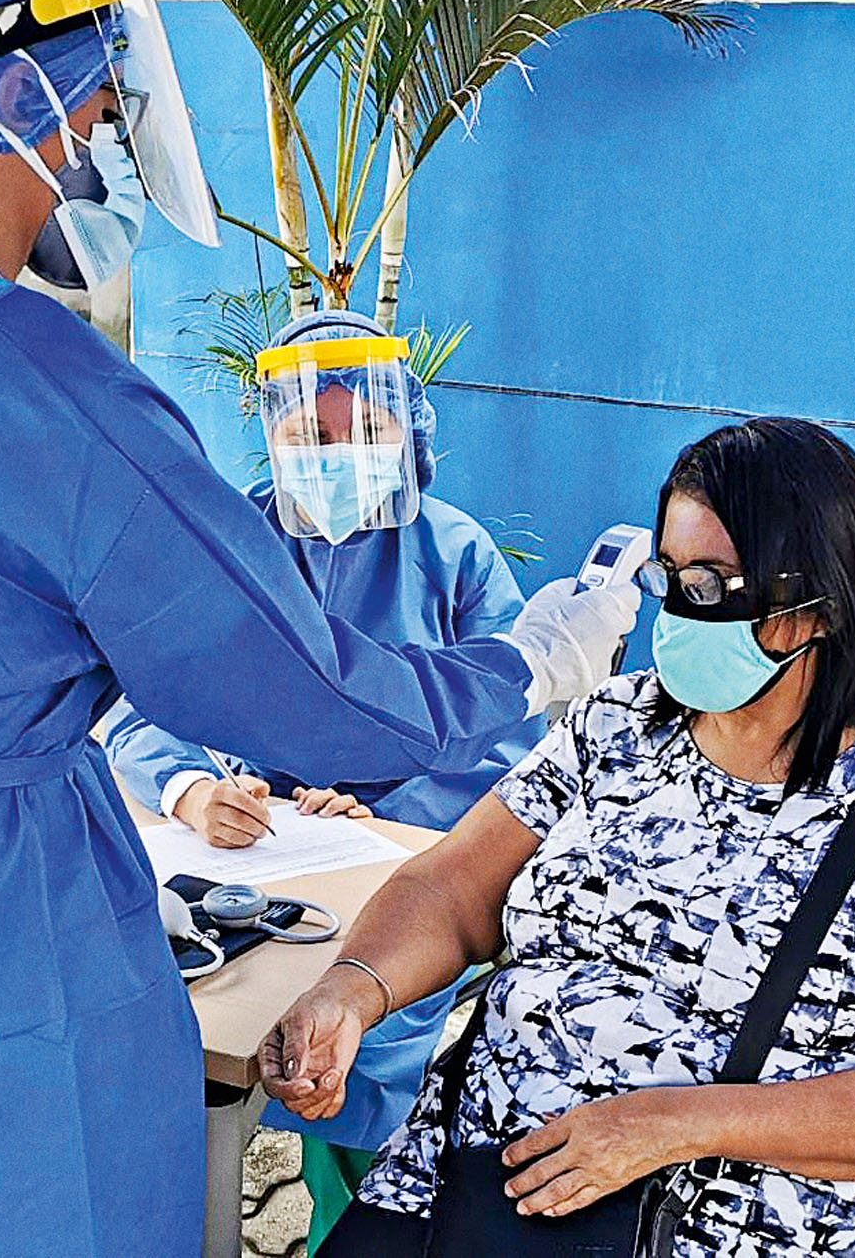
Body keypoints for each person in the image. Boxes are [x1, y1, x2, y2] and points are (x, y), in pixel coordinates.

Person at [0, 0, 637, 1254]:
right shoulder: (59, 395)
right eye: (94, 86)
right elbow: (309, 698)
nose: (106, 119)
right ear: (9, 95)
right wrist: (533, 663)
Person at [263, 418, 855, 1257]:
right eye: (669, 576)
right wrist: (353, 987)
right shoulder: (621, 721)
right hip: (480, 1186)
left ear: (818, 603)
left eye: (713, 586)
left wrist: (671, 1125)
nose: (677, 611)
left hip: (754, 1219)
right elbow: (452, 890)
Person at [105, 310, 546, 1247]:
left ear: (408, 434)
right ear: (269, 433)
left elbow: (512, 747)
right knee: (168, 1035)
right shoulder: (231, 548)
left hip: (398, 881)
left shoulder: (457, 555)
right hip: (243, 874)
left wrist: (383, 812)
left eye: (364, 433)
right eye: (310, 434)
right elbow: (135, 698)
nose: (336, 455)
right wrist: (191, 786)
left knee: (356, 1056)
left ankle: (358, 1216)